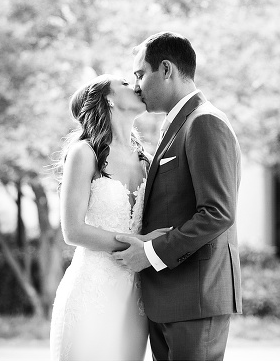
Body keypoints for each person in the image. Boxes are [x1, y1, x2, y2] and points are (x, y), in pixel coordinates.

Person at [113, 32, 243, 361]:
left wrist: (152, 253)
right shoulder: (176, 125)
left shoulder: (204, 122)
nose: (136, 85)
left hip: (194, 298)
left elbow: (217, 212)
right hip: (169, 299)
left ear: (167, 69)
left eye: (140, 74)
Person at [49, 74, 172, 360]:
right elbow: (73, 231)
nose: (137, 85)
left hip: (135, 297)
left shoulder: (147, 160)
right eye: (126, 84)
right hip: (90, 289)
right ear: (109, 99)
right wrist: (140, 243)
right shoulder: (84, 153)